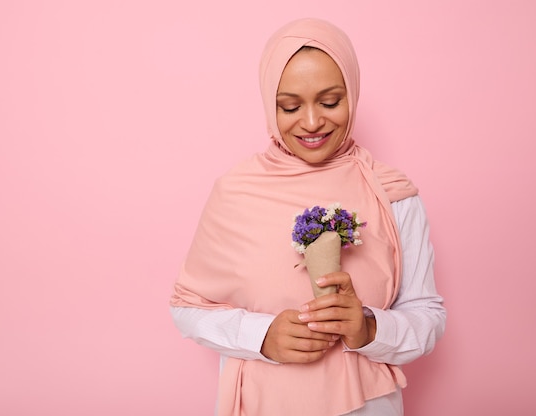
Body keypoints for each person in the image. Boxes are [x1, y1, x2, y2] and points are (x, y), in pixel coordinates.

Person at [170, 17, 445, 416]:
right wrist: (262, 336)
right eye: (290, 106)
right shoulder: (235, 193)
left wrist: (369, 328)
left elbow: (427, 315)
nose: (313, 122)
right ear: (270, 103)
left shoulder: (392, 194)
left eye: (331, 102)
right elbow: (187, 307)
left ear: (352, 95)